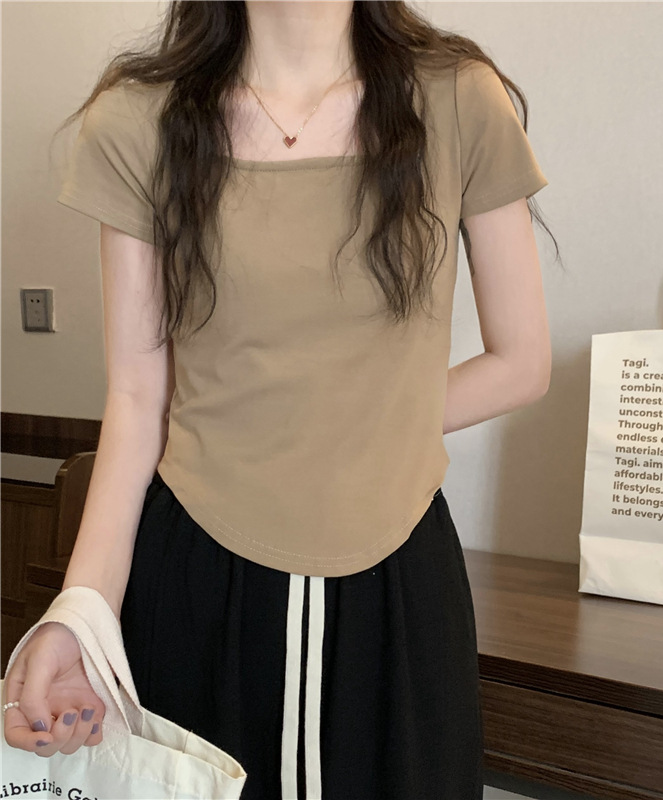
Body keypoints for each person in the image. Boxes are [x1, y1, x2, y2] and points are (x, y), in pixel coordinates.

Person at [2, 2, 555, 798]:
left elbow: (521, 362)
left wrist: (341, 424)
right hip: (199, 570)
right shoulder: (138, 118)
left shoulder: (460, 98)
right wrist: (81, 612)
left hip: (398, 577)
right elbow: (136, 396)